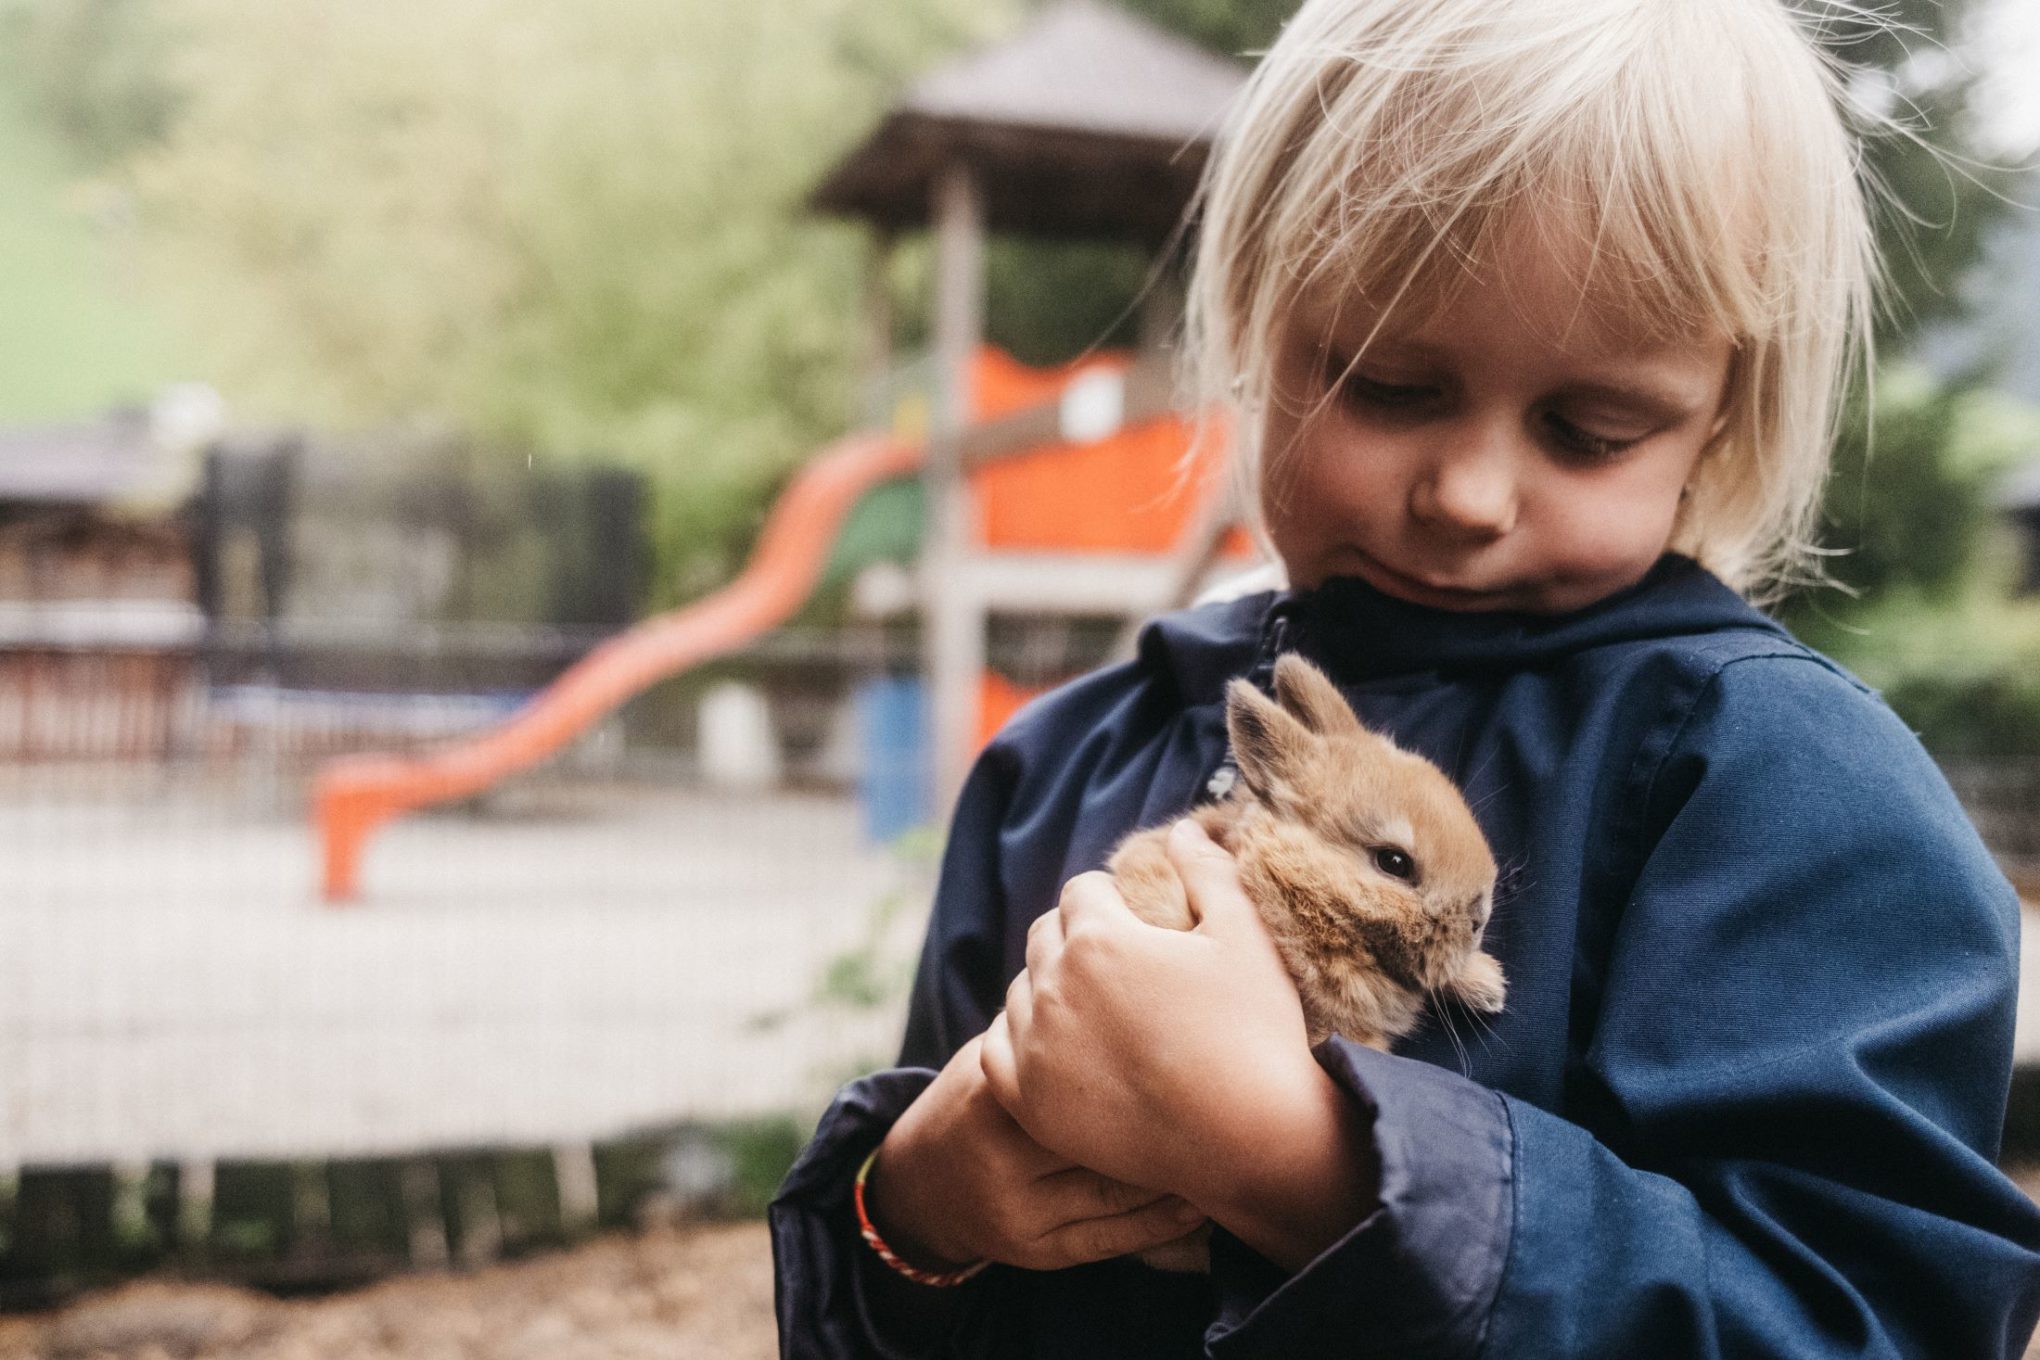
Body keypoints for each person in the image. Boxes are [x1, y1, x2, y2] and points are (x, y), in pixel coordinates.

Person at [771, 0, 2040, 1353]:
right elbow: (880, 1281)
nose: (1471, 493)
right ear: (1259, 320)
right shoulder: (1060, 765)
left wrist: (1307, 1163)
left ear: (1721, 409)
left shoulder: (1789, 791)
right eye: (1388, 386)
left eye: (1588, 428)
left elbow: (1870, 1316)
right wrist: (920, 1203)